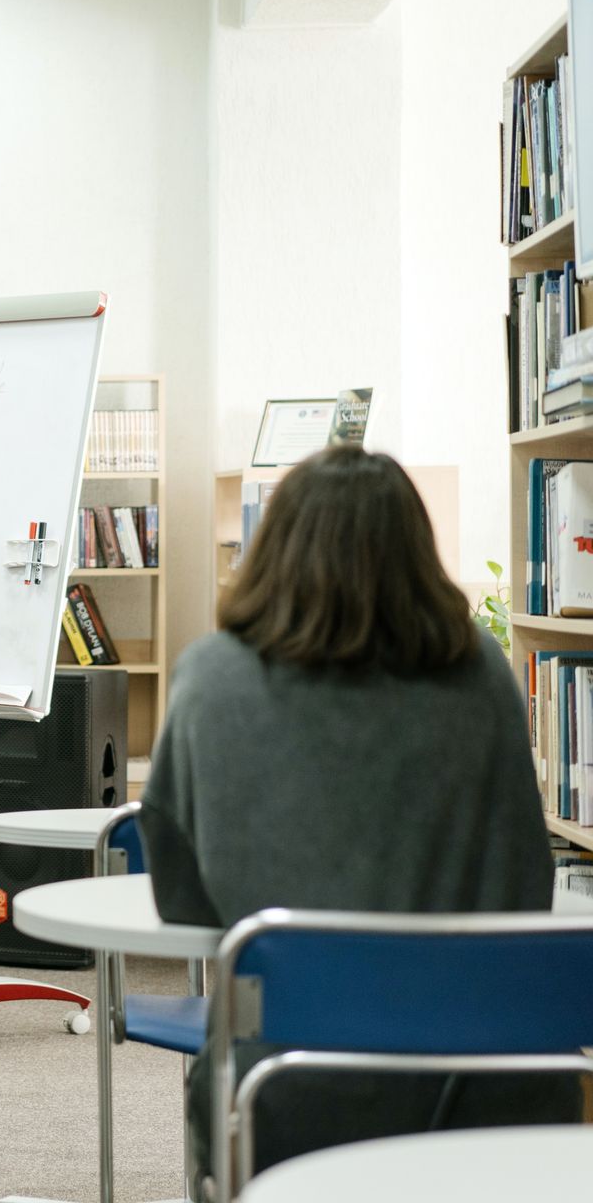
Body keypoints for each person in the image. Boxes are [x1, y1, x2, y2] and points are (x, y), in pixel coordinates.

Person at [137, 445, 577, 1181]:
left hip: (291, 1087)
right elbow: (523, 883)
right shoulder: (483, 672)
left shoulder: (211, 679)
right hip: (493, 1088)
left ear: (273, 546)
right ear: (417, 553)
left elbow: (183, 906)